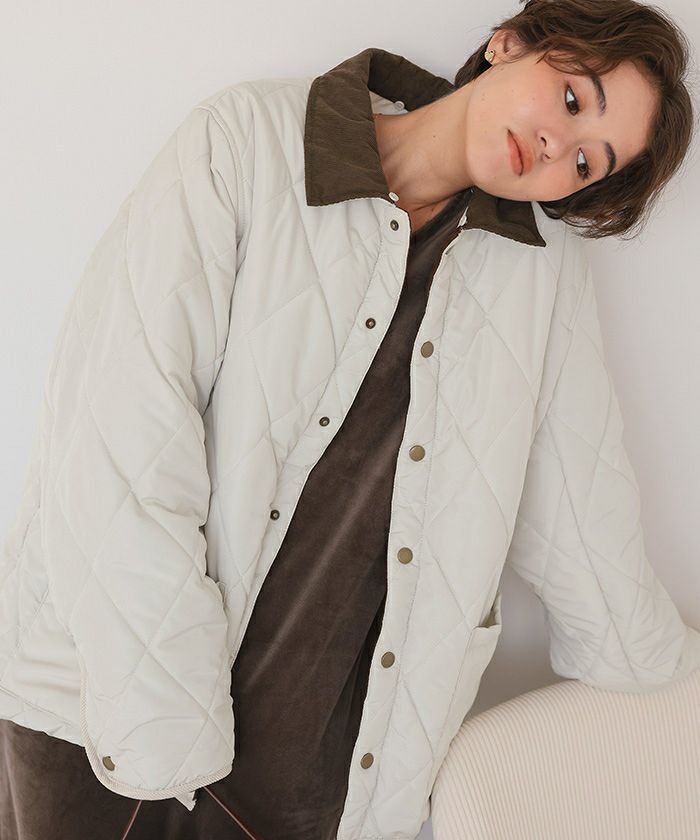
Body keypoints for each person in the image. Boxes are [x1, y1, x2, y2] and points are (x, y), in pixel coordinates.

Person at [1, 1, 699, 839]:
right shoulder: (252, 141)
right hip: (105, 715)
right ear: (510, 43)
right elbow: (121, 420)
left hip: (316, 778)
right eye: (574, 99)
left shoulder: (539, 276)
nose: (559, 145)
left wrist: (656, 663)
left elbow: (584, 510)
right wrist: (161, 717)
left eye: (587, 161)